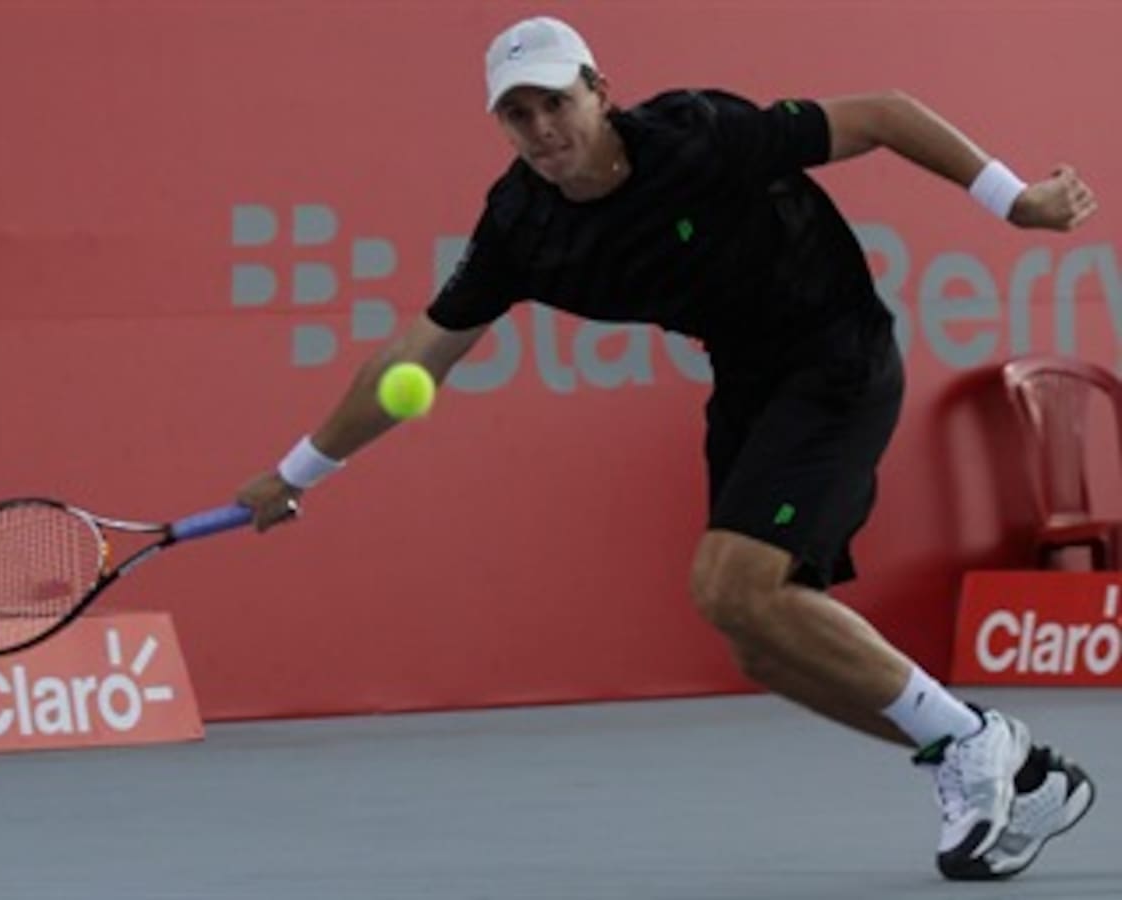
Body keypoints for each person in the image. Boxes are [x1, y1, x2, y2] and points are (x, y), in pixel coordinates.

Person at [237, 15, 1099, 880]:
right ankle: (1009, 769)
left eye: (556, 102)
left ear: (600, 92)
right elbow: (412, 357)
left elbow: (882, 113)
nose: (542, 129)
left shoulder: (700, 136)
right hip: (748, 385)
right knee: (761, 639)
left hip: (836, 353)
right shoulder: (520, 228)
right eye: (518, 114)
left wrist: (1014, 198)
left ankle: (973, 741)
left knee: (726, 582)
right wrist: (295, 473)